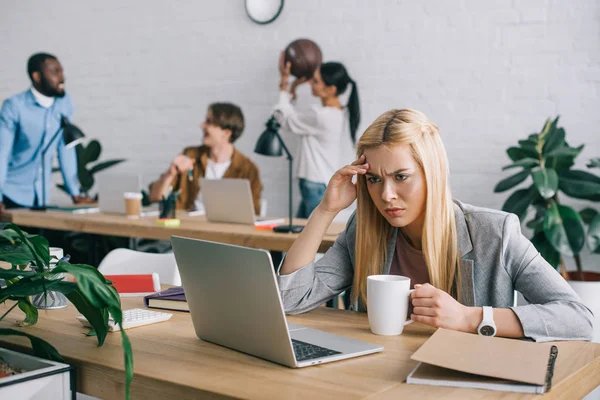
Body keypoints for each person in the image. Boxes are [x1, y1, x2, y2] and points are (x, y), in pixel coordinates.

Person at [277, 109, 594, 342]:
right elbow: (291, 299)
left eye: (401, 177)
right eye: (374, 179)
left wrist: (470, 318)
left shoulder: (495, 233)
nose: (386, 195)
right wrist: (325, 209)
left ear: (432, 174)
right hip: (377, 379)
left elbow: (579, 320)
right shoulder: (364, 230)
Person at [0, 53, 92, 214]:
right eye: (55, 72)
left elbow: (66, 149)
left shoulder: (65, 103)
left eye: (62, 72)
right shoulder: (14, 107)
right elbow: (2, 153)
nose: (62, 78)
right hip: (11, 194)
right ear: (37, 76)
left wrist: (75, 193)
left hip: (41, 196)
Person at [276, 54, 360, 218]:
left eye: (315, 81)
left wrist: (284, 85)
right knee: (304, 233)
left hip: (314, 182)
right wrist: (292, 90)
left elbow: (282, 118)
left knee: (311, 236)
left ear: (331, 89)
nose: (310, 84)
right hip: (320, 181)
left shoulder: (321, 116)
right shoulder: (338, 113)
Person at [149, 102, 263, 214]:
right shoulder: (190, 155)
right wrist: (170, 173)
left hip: (224, 231)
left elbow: (253, 215)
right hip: (187, 229)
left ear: (226, 133)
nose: (202, 125)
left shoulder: (248, 170)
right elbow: (155, 197)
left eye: (209, 122)